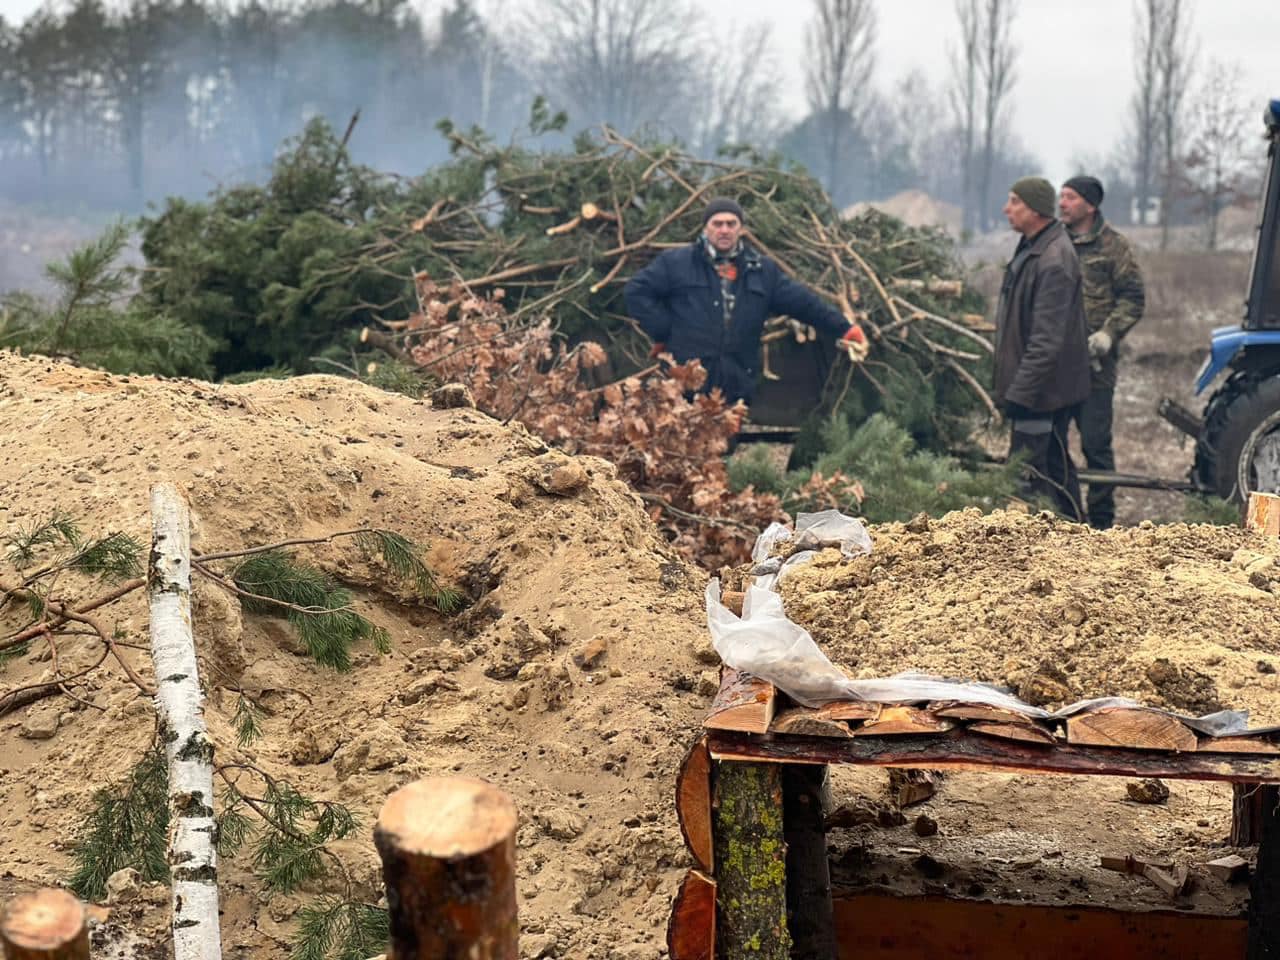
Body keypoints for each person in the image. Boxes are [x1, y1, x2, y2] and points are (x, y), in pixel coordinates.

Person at [623, 198, 868, 405]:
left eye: (731, 224)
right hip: (684, 380)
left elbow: (804, 304)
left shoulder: (762, 271)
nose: (724, 229)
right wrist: (664, 332)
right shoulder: (677, 263)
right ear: (706, 228)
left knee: (722, 456)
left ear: (741, 229)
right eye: (717, 224)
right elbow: (636, 291)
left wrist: (844, 328)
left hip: (735, 381)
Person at [993, 177, 1091, 520]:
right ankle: (1076, 531)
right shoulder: (1032, 247)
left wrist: (1018, 394)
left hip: (1042, 393)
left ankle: (1060, 539)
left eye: (1014, 202)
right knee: (1053, 467)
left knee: (1032, 476)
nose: (1007, 209)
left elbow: (1046, 341)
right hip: (1037, 390)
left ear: (1034, 209)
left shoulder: (1053, 260)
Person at [1058, 175, 1146, 529]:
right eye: (1060, 196)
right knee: (1052, 444)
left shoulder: (1115, 247)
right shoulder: (1053, 243)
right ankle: (1063, 516)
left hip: (1096, 367)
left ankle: (1101, 524)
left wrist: (1109, 334)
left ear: (1090, 205)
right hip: (1056, 367)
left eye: (1070, 197)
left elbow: (1133, 297)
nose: (1062, 203)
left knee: (1095, 446)